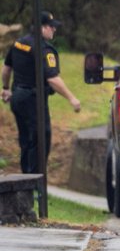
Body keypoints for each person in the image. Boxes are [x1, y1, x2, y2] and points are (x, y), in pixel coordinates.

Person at [1, 11, 82, 174]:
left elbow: (6, 68)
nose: (54, 30)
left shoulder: (18, 43)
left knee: (26, 141)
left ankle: (25, 181)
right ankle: (36, 184)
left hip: (18, 98)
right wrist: (72, 98)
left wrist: (6, 88)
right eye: (51, 27)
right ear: (42, 28)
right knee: (40, 140)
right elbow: (52, 79)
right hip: (33, 100)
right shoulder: (44, 49)